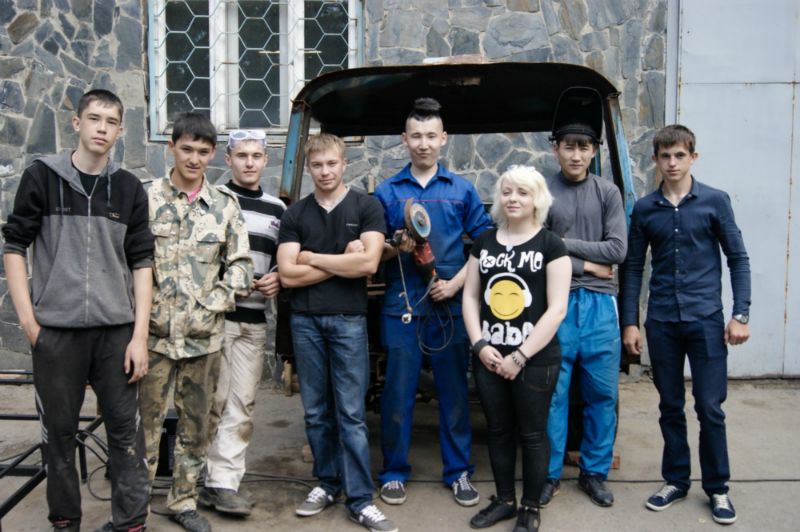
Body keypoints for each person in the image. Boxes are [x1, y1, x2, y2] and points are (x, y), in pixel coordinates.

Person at [2, 89, 152, 532]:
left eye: (111, 122)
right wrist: (30, 324)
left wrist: (139, 336)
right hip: (57, 333)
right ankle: (66, 522)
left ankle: (131, 523)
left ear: (120, 130)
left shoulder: (128, 188)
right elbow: (14, 247)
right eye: (94, 118)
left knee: (126, 434)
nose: (102, 128)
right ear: (77, 123)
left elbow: (142, 262)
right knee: (59, 436)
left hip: (116, 333)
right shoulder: (41, 177)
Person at [621, 125, 751, 526]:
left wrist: (741, 314)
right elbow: (633, 268)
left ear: (693, 157)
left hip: (706, 321)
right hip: (662, 322)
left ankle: (718, 487)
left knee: (709, 407)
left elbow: (737, 258)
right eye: (665, 156)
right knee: (670, 405)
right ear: (655, 160)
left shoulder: (715, 201)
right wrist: (630, 323)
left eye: (680, 155)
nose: (672, 163)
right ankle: (676, 480)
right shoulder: (645, 209)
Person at [374, 97, 492, 508]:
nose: (423, 143)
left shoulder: (462, 190)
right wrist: (396, 246)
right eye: (416, 136)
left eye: (430, 136)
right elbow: (374, 250)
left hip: (450, 306)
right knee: (397, 394)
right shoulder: (387, 192)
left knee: (454, 393)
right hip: (402, 305)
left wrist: (457, 284)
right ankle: (393, 473)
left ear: (443, 139)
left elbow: (486, 243)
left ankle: (458, 472)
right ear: (404, 139)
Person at [140, 113, 254, 532]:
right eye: (186, 149)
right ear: (170, 147)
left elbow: (241, 266)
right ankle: (134, 506)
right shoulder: (146, 199)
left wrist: (213, 303)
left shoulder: (224, 205)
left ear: (213, 155)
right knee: (143, 426)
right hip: (151, 337)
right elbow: (126, 260)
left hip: (203, 339)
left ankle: (183, 501)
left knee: (196, 425)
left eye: (203, 152)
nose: (194, 158)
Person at [277, 133, 396, 532]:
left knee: (351, 413)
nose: (325, 171)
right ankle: (327, 484)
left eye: (332, 163)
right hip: (305, 321)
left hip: (348, 320)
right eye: (317, 165)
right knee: (315, 411)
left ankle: (360, 499)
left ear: (345, 163)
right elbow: (288, 276)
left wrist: (312, 257)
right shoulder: (296, 214)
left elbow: (368, 265)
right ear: (309, 167)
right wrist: (340, 261)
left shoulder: (366, 206)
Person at [463, 166, 571, 532]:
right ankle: (505, 501)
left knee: (533, 434)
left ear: (537, 199)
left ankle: (530, 507)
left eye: (522, 192)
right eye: (507, 191)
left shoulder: (551, 245)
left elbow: (557, 309)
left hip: (536, 361)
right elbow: (470, 297)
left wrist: (521, 356)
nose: (513, 198)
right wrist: (479, 345)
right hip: (489, 358)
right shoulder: (484, 243)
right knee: (498, 431)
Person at [540, 121, 628, 508]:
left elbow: (618, 250)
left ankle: (594, 473)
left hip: (600, 306)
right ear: (556, 148)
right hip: (555, 302)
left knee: (602, 395)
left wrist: (562, 244)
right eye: (568, 146)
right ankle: (549, 474)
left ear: (594, 151)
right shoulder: (542, 191)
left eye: (583, 147)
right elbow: (536, 248)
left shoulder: (607, 192)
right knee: (553, 395)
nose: (576, 155)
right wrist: (587, 264)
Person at [199, 130, 285, 516]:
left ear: (266, 159)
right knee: (210, 402)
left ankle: (223, 484)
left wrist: (277, 277)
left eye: (256, 156)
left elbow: (283, 259)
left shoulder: (276, 209)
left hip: (254, 321)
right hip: (217, 318)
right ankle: (196, 478)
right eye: (241, 155)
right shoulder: (213, 200)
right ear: (228, 159)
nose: (249, 162)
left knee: (241, 405)